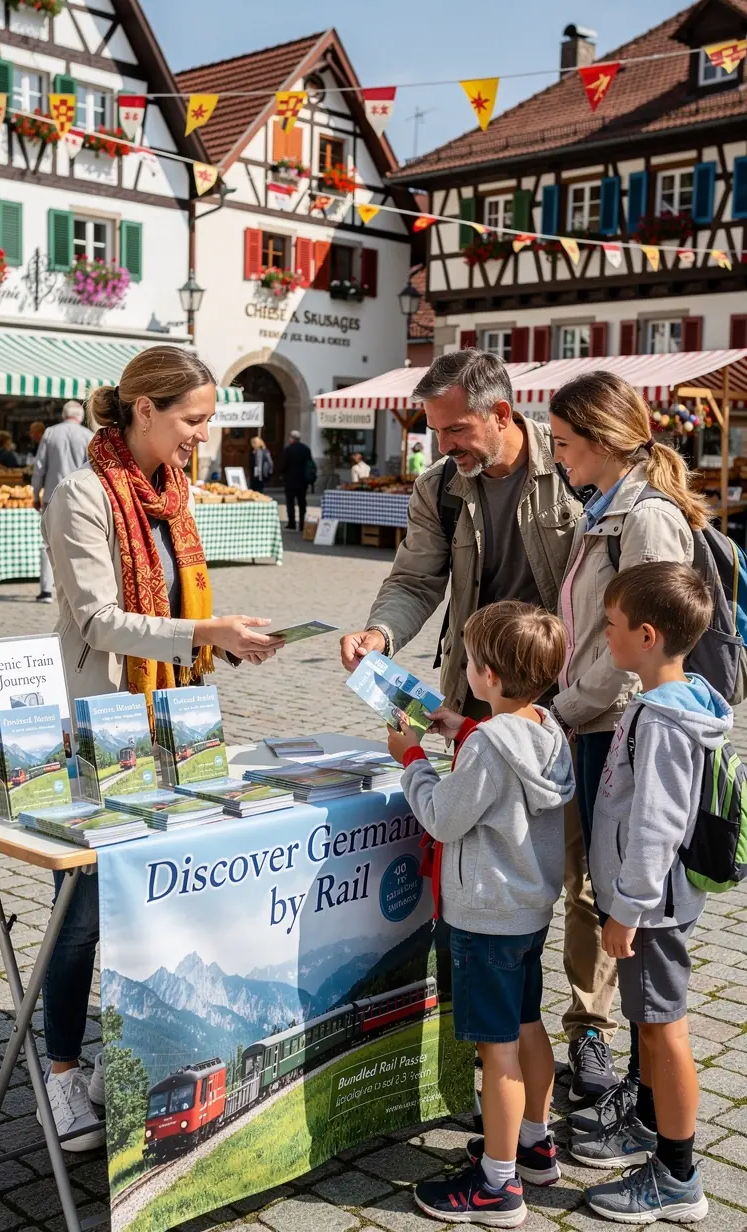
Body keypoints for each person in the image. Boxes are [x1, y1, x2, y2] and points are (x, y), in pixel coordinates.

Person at [339, 349, 619, 1100]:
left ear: (502, 414)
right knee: (479, 855)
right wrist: (380, 635)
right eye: (436, 432)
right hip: (482, 704)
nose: (444, 446)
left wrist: (585, 695)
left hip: (578, 704)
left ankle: (588, 1027)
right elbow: (415, 578)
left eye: (456, 429)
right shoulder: (442, 488)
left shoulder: (573, 473)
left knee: (585, 876)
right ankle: (487, 1022)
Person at [39, 346, 285, 1150]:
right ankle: (64, 1074)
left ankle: (127, 1052)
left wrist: (223, 635)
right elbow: (97, 619)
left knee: (156, 900)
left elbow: (181, 606)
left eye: (207, 420)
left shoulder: (172, 496)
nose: (201, 436)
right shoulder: (83, 494)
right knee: (80, 913)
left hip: (177, 720)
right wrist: (199, 632)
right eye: (192, 419)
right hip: (103, 724)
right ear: (144, 409)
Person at [548, 371, 707, 1119]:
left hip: (614, 727)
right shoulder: (606, 508)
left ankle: (623, 1072)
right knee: (590, 883)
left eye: (565, 444)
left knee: (608, 893)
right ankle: (611, 1054)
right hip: (591, 718)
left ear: (604, 440)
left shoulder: (646, 518)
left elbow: (639, 644)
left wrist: (571, 704)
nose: (559, 459)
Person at [387, 602, 574, 1227]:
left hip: (485, 916)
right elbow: (499, 761)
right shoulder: (544, 726)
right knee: (527, 1026)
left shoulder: (490, 747)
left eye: (468, 660)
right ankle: (534, 1142)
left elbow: (442, 815)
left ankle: (498, 1187)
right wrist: (458, 727)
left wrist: (412, 760)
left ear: (488, 675)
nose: (464, 667)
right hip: (527, 910)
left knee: (496, 1053)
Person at [571, 562, 724, 1224]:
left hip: (650, 910)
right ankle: (649, 1127)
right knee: (652, 1024)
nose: (603, 636)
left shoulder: (661, 719)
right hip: (651, 905)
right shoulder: (681, 696)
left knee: (665, 1032)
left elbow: (657, 825)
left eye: (610, 626)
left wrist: (626, 911)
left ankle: (678, 1175)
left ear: (647, 634)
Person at [32, 401, 94, 604]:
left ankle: (46, 591)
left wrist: (35, 493)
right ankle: (77, 593)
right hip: (81, 497)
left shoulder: (50, 433)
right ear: (80, 416)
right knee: (80, 543)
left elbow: (39, 466)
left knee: (48, 543)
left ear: (63, 414)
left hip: (53, 494)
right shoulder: (87, 435)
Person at [281, 428, 314, 531]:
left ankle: (292, 522)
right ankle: (302, 523)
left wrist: (282, 474)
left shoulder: (288, 449)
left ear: (292, 438)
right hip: (302, 480)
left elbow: (284, 464)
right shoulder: (306, 449)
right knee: (302, 502)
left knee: (290, 502)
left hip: (290, 480)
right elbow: (310, 464)